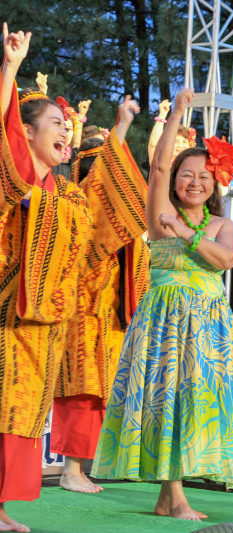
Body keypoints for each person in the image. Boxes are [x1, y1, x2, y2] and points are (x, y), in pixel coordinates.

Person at [0, 23, 146, 532]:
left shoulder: (68, 195)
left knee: (20, 415)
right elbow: (5, 142)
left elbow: (112, 204)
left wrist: (130, 130)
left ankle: (0, 507)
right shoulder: (13, 180)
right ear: (27, 133)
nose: (65, 130)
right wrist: (11, 69)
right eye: (54, 123)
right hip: (7, 314)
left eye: (67, 123)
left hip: (46, 323)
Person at [91, 88, 233, 521]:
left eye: (204, 177)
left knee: (196, 404)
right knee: (166, 400)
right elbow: (158, 164)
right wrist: (177, 113)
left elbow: (227, 259)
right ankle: (174, 497)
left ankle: (168, 497)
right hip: (165, 319)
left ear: (216, 184)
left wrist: (185, 232)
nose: (195, 182)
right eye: (186, 175)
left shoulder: (221, 223)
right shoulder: (158, 214)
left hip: (211, 324)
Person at [52, 131, 150, 493]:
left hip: (112, 320)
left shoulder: (127, 228)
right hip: (81, 316)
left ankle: (85, 467)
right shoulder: (78, 208)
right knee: (81, 393)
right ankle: (70, 470)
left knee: (100, 396)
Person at [147, 99, 195, 165]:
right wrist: (162, 115)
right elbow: (154, 145)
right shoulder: (162, 164)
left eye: (184, 142)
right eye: (176, 141)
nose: (180, 146)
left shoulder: (194, 165)